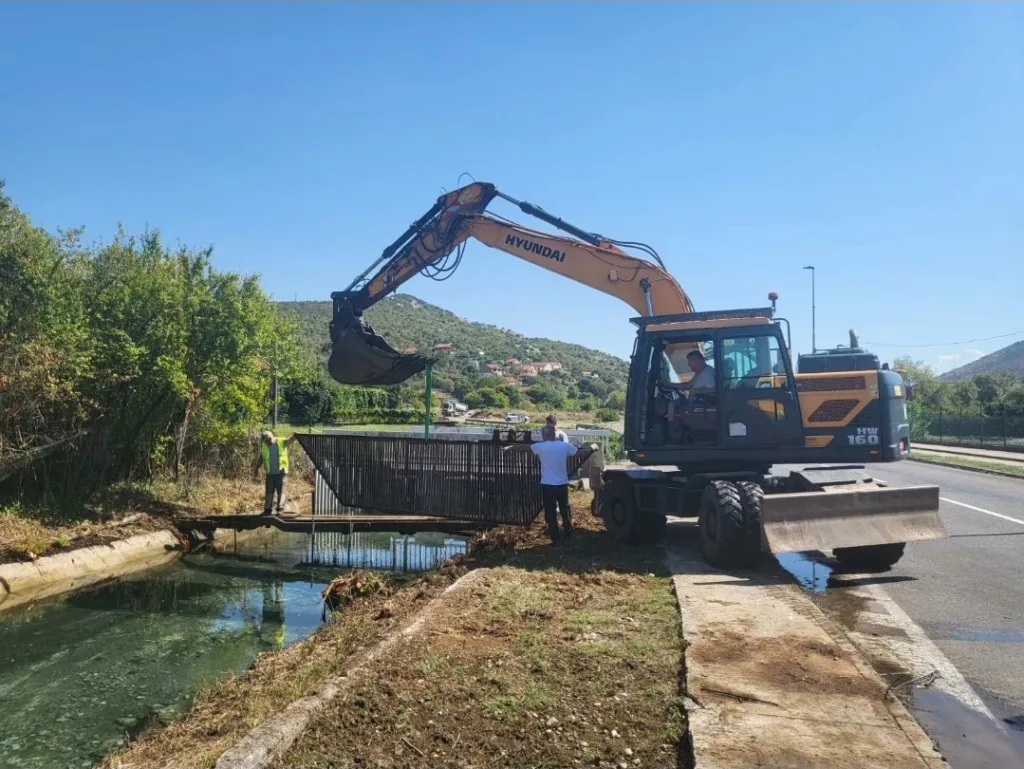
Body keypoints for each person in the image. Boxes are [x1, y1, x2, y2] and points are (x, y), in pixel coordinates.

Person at [506, 425, 595, 544]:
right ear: (554, 435)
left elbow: (525, 448)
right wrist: (592, 448)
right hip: (562, 484)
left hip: (548, 485)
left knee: (551, 511)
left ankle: (555, 537)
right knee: (564, 509)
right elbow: (579, 454)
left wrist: (511, 447)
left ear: (545, 435)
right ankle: (568, 534)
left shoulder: (541, 446)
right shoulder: (564, 446)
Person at [254, 431, 298, 515]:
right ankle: (267, 509)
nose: (267, 442)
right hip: (270, 473)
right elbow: (261, 458)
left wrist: (295, 436)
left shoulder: (281, 441)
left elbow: (290, 441)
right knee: (269, 492)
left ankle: (280, 509)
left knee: (281, 491)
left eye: (268, 440)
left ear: (272, 437)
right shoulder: (265, 446)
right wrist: (256, 468)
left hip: (281, 472)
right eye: (265, 441)